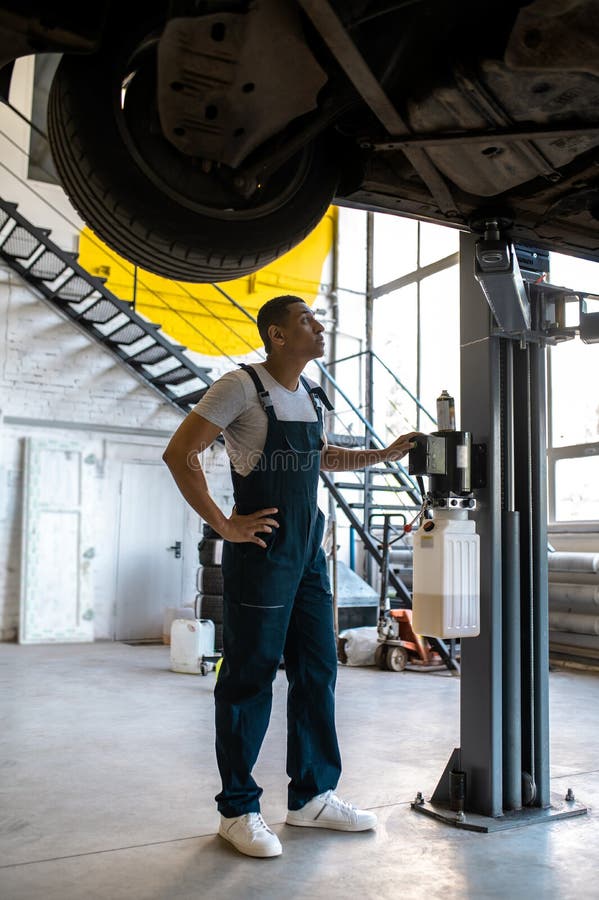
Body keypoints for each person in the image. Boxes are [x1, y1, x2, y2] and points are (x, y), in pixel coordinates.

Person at [163, 294, 417, 858]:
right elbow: (181, 452)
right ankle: (237, 809)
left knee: (318, 671)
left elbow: (321, 457)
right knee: (249, 677)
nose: (318, 325)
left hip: (307, 555)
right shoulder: (240, 387)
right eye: (306, 319)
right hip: (262, 551)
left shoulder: (311, 394)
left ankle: (311, 797)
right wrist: (225, 525)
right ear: (277, 335)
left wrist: (386, 454)